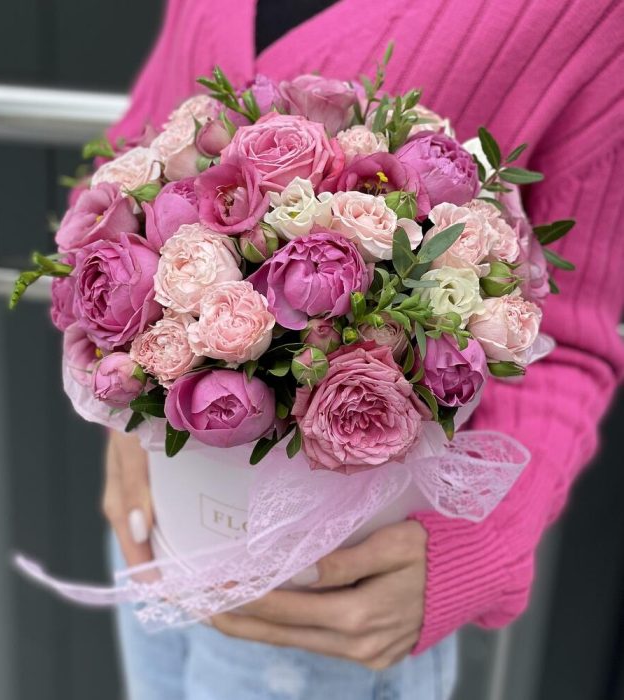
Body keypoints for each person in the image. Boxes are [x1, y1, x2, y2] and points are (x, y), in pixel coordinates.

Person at [101, 1, 624, 698]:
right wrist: (124, 415)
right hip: (162, 528)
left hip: (334, 608)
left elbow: (572, 338)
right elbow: (135, 159)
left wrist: (484, 543)